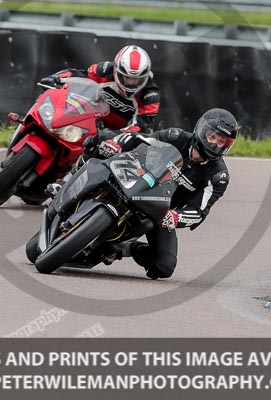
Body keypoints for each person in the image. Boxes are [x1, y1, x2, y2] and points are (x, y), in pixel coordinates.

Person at [90, 107, 238, 280]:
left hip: (159, 211)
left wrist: (175, 217)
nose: (214, 144)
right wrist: (117, 144)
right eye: (212, 137)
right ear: (202, 130)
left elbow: (198, 211)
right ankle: (65, 182)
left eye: (221, 142)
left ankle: (125, 248)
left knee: (164, 266)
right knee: (101, 139)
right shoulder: (176, 137)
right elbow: (139, 139)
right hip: (132, 182)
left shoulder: (218, 176)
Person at [39, 45, 160, 134]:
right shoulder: (104, 70)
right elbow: (80, 75)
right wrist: (55, 79)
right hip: (89, 120)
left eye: (136, 79)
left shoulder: (150, 96)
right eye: (126, 77)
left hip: (115, 138)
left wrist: (114, 136)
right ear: (116, 70)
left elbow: (142, 127)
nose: (131, 82)